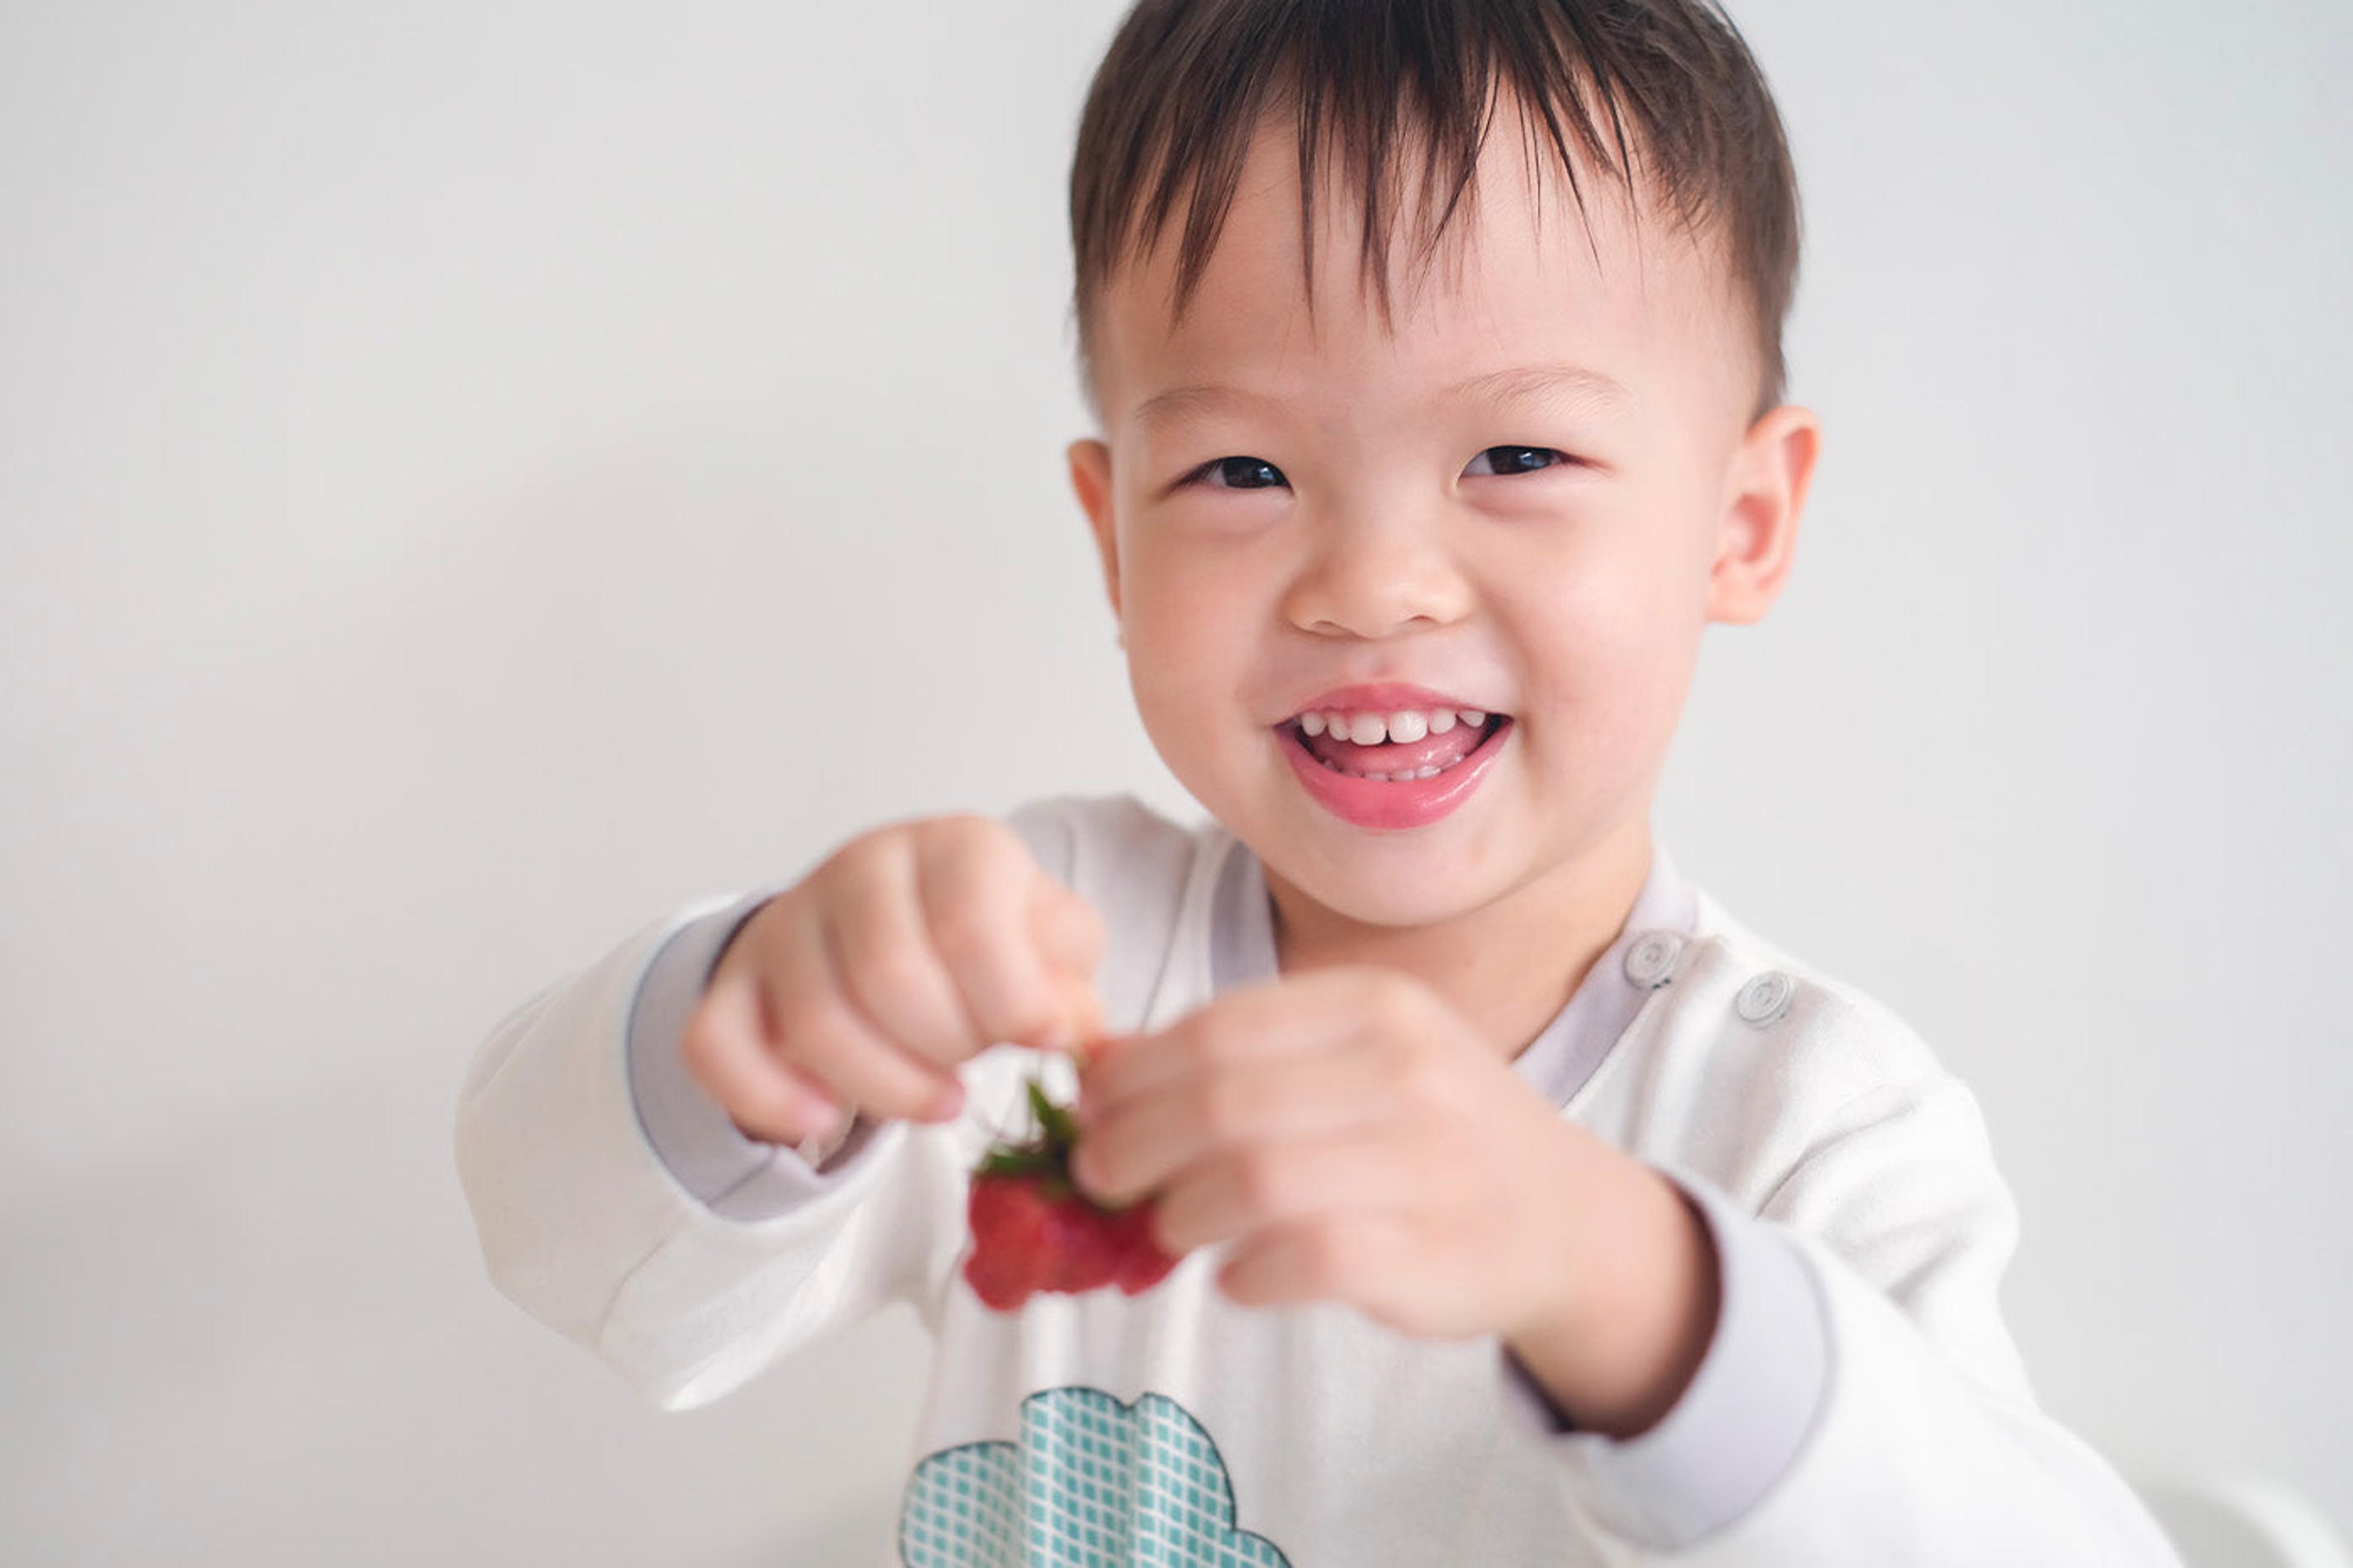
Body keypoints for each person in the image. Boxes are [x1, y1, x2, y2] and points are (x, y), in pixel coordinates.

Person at [455, 1, 2186, 1560]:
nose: (1370, 584)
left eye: (1516, 454)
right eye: (1239, 468)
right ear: (1112, 538)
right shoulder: (1047, 971)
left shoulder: (1814, 1132)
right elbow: (568, 1245)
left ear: (1740, 523)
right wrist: (767, 1024)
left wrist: (1626, 1281)